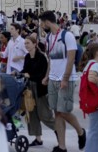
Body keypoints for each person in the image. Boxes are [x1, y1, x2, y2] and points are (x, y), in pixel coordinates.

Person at [39, 11, 86, 152]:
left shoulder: (67, 36)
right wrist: (47, 76)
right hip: (53, 79)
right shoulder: (48, 37)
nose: (41, 26)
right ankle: (62, 146)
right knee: (57, 113)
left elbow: (71, 59)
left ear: (47, 22)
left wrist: (65, 79)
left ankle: (81, 132)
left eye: (42, 23)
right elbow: (50, 59)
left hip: (66, 79)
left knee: (64, 111)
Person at [19, 35, 55, 147]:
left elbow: (43, 75)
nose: (26, 45)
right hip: (29, 88)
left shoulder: (41, 57)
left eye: (28, 43)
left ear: (35, 44)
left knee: (45, 115)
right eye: (25, 43)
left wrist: (30, 75)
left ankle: (59, 132)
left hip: (40, 88)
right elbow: (25, 70)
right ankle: (38, 139)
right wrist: (19, 73)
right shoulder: (27, 57)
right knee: (32, 114)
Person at [78, 43, 98, 152]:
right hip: (96, 102)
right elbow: (91, 79)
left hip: (91, 102)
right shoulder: (95, 64)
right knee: (96, 131)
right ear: (97, 53)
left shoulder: (89, 64)